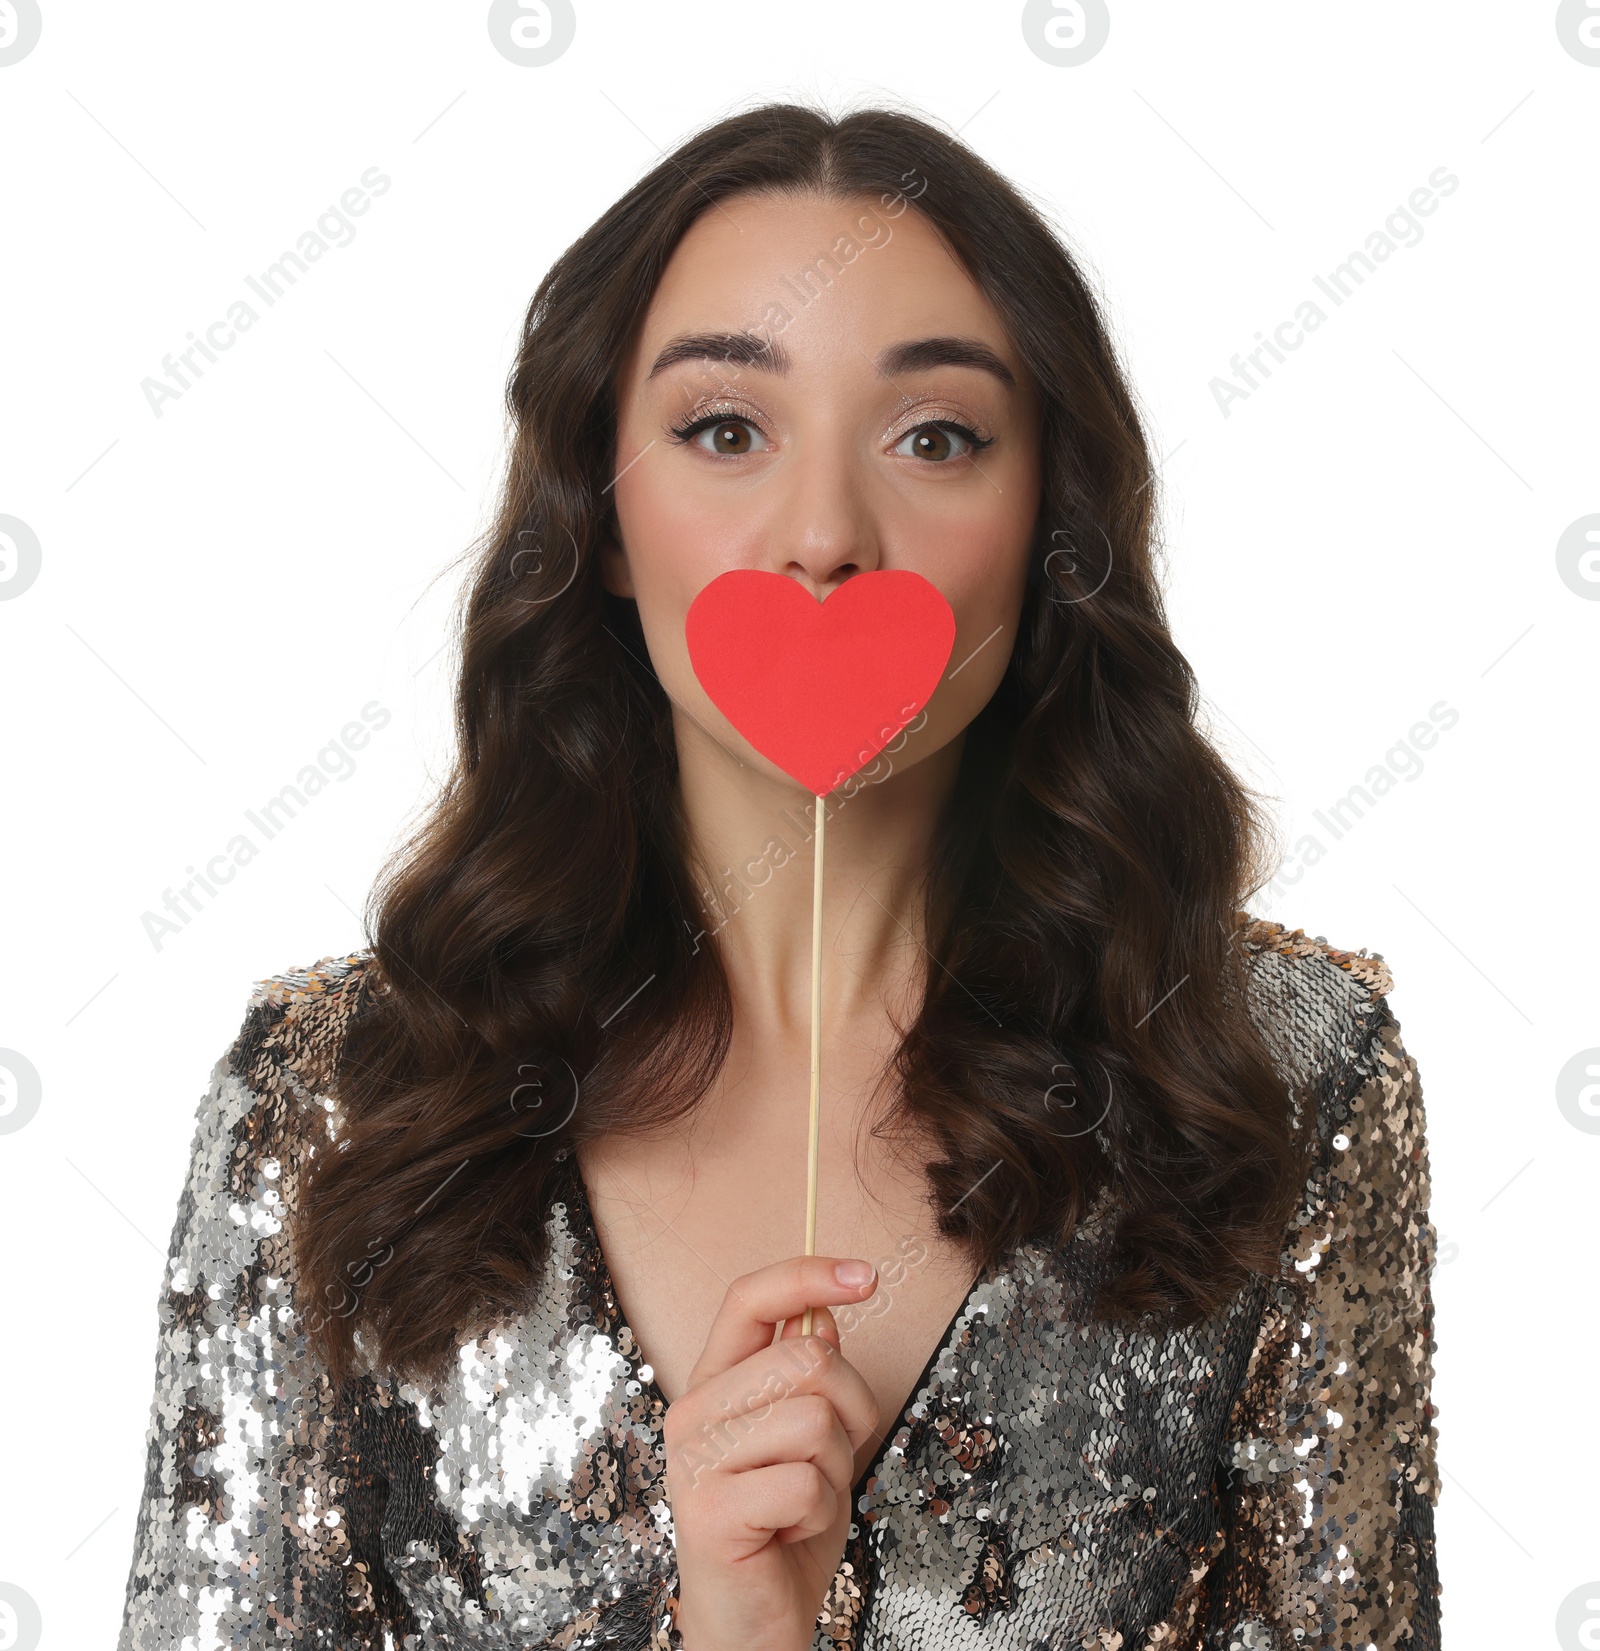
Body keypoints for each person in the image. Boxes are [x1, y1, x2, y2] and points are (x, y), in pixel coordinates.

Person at [117, 103, 1441, 1650]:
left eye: (936, 436)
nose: (823, 534)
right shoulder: (332, 1099)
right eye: (724, 430)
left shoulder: (1275, 1079)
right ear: (605, 517)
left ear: (1046, 523)